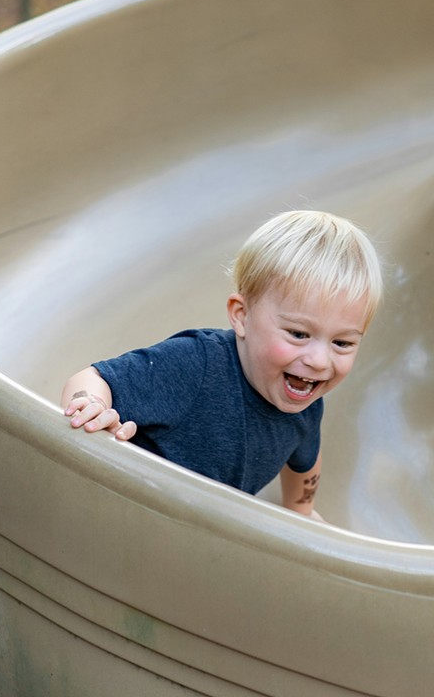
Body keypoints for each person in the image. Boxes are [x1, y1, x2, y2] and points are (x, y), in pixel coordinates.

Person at [60, 210, 382, 520]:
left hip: (203, 531)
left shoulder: (306, 401)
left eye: (342, 343)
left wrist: (301, 513)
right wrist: (89, 404)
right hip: (127, 511)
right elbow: (92, 378)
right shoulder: (196, 364)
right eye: (298, 334)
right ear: (242, 316)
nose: (319, 361)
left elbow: (304, 460)